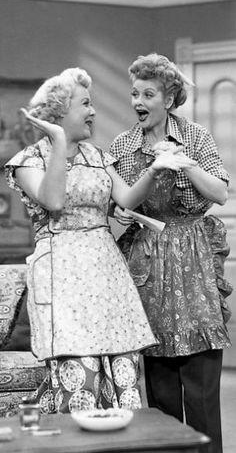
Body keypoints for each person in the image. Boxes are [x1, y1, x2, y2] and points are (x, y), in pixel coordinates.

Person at [4, 67, 195, 415]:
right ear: (60, 111)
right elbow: (54, 200)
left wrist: (155, 169)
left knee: (122, 374)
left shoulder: (98, 157)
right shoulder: (29, 161)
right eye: (86, 104)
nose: (93, 111)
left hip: (106, 272)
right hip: (62, 273)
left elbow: (126, 200)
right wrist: (60, 142)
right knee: (81, 376)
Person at [110, 53, 233, 453]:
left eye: (148, 93)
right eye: (134, 93)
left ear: (169, 98)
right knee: (160, 393)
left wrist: (183, 162)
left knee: (200, 392)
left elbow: (219, 192)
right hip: (147, 263)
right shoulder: (123, 146)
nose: (137, 102)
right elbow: (120, 205)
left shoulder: (195, 136)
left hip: (195, 265)